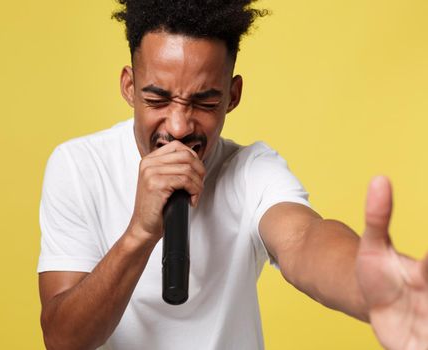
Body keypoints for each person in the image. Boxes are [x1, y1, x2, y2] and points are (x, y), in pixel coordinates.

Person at [37, 1, 428, 349]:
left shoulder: (251, 170)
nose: (177, 126)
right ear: (129, 86)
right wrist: (140, 233)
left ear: (232, 95)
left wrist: (369, 287)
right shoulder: (78, 166)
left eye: (204, 101)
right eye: (157, 99)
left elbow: (303, 238)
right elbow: (63, 338)